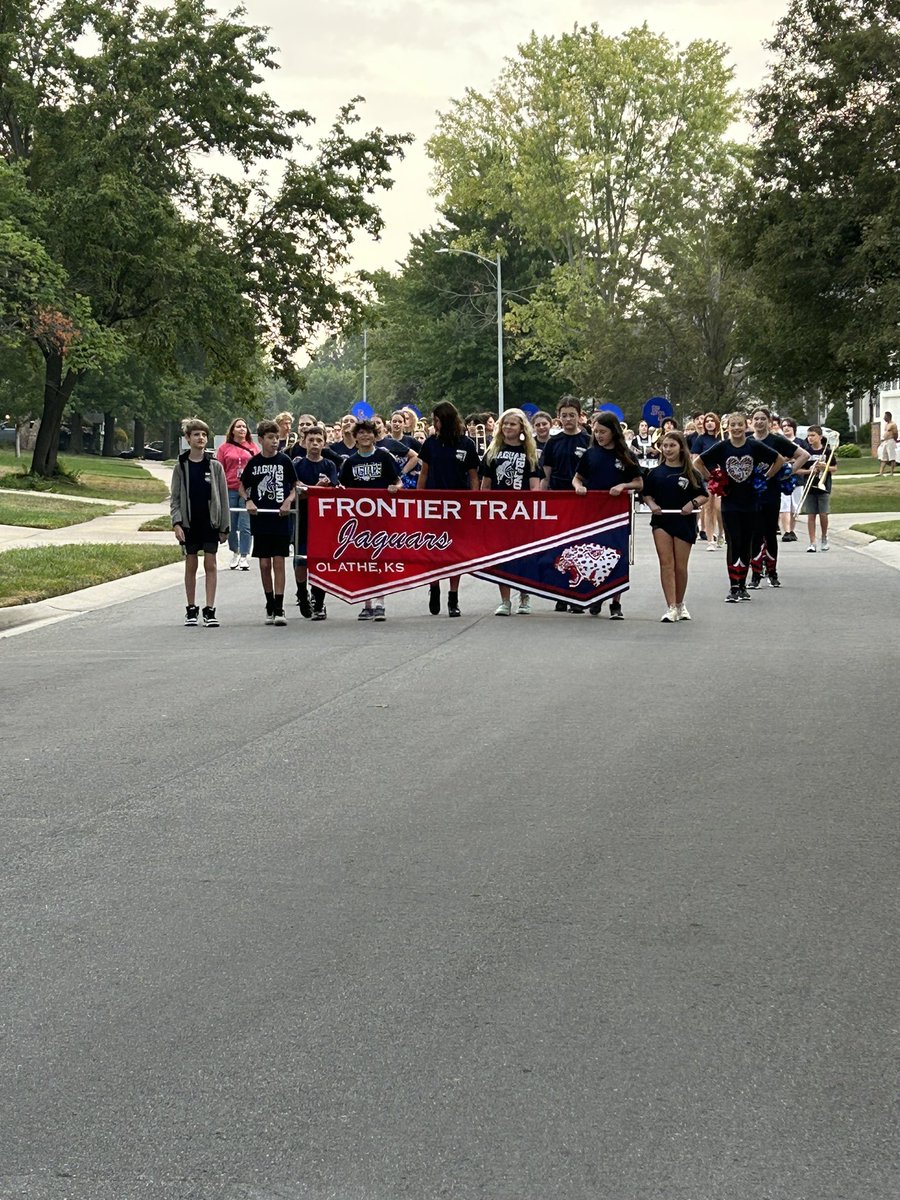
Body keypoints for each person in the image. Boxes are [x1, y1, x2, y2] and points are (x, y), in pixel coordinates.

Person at [695, 412, 786, 602]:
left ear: (746, 426)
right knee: (733, 542)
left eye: (739, 425)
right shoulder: (722, 447)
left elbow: (778, 459)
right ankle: (733, 585)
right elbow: (698, 462)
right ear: (728, 427)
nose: (736, 428)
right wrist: (712, 478)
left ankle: (743, 585)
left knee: (747, 543)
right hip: (730, 503)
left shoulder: (754, 445)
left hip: (751, 503)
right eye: (732, 425)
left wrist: (767, 476)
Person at [572, 411, 643, 619]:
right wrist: (578, 487)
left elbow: (639, 483)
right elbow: (577, 478)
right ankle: (597, 596)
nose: (599, 436)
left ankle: (616, 602)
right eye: (596, 432)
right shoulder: (590, 454)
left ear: (613, 432)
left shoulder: (626, 455)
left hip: (618, 515)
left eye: (603, 431)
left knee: (616, 558)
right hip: (593, 515)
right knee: (594, 556)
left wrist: (623, 485)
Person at [418, 400, 480, 617]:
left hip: (458, 507)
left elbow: (474, 477)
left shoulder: (467, 444)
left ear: (447, 420)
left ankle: (453, 597)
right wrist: (419, 500)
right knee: (434, 550)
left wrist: (473, 504)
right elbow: (423, 474)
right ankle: (434, 587)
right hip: (433, 506)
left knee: (455, 552)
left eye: (437, 420)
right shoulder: (430, 443)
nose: (434, 424)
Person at [478, 408, 543, 615]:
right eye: (505, 424)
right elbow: (485, 485)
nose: (508, 427)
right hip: (499, 513)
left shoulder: (529, 454)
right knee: (501, 557)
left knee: (524, 555)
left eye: (513, 424)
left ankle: (525, 596)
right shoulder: (493, 451)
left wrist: (532, 510)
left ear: (522, 427)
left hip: (522, 514)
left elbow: (535, 486)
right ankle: (505, 601)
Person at [641, 431, 708, 621]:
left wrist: (692, 504)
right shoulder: (655, 472)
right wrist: (653, 505)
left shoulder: (691, 472)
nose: (668, 449)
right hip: (662, 521)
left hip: (683, 521)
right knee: (666, 564)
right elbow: (646, 494)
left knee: (680, 566)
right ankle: (670, 606)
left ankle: (680, 603)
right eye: (665, 446)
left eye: (672, 445)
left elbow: (704, 495)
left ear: (681, 448)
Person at [339, 419, 402, 621]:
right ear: (355, 437)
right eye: (361, 433)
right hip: (358, 520)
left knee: (379, 559)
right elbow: (343, 488)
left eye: (369, 433)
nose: (365, 436)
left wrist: (395, 488)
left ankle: (380, 602)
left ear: (375, 435)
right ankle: (366, 603)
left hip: (381, 517)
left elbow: (398, 481)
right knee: (362, 560)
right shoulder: (350, 462)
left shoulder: (384, 457)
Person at [170, 419, 230, 627]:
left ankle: (210, 608)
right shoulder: (181, 466)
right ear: (188, 438)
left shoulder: (215, 466)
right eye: (196, 435)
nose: (200, 438)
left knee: (210, 563)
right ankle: (191, 608)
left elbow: (223, 497)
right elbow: (175, 498)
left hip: (210, 522)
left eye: (204, 435)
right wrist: (177, 523)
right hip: (189, 522)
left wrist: (224, 526)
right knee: (191, 563)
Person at [240, 419, 297, 626]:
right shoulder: (254, 463)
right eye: (271, 438)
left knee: (279, 561)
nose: (275, 442)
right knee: (264, 564)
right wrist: (249, 500)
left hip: (280, 519)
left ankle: (280, 606)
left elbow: (295, 485)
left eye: (277, 438)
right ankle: (270, 602)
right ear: (261, 439)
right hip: (261, 519)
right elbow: (242, 486)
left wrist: (288, 502)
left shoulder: (285, 461)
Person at [748, 408, 809, 588]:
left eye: (762, 419)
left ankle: (772, 572)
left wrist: (788, 472)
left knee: (769, 533)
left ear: (768, 421)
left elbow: (803, 455)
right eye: (756, 419)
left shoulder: (776, 440)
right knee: (755, 534)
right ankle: (756, 573)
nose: (759, 422)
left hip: (771, 492)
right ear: (751, 422)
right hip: (751, 494)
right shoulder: (748, 441)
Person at [541, 396, 592, 612]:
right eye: (564, 415)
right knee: (561, 546)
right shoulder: (554, 442)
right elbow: (545, 474)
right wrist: (542, 498)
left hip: (582, 498)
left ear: (580, 416)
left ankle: (579, 593)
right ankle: (561, 592)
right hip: (559, 497)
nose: (568, 419)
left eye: (572, 415)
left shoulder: (589, 440)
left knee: (580, 545)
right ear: (558, 417)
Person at [291, 426, 337, 620]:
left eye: (319, 440)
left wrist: (313, 490)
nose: (315, 444)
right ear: (304, 442)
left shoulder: (329, 465)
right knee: (301, 558)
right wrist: (315, 489)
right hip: (302, 518)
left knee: (321, 559)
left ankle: (319, 600)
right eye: (311, 440)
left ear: (324, 443)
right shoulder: (297, 465)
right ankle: (302, 593)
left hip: (323, 521)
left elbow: (333, 491)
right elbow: (295, 491)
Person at [216, 417, 257, 569]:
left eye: (244, 427)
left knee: (245, 524)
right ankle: (235, 551)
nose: (242, 429)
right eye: (238, 426)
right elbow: (219, 468)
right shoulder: (224, 448)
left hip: (247, 490)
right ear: (232, 430)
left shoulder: (252, 447)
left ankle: (245, 555)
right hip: (230, 488)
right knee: (231, 524)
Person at [797, 425, 837, 551]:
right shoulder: (805, 452)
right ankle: (812, 542)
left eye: (813, 435)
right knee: (811, 515)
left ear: (820, 437)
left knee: (823, 514)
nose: (810, 438)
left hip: (823, 486)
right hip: (809, 487)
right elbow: (797, 469)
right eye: (808, 436)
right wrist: (809, 471)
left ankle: (824, 537)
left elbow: (835, 468)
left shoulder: (827, 452)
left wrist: (824, 467)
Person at [692, 413, 724, 547]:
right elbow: (695, 460)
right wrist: (703, 475)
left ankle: (721, 533)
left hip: (722, 477)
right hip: (707, 477)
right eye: (707, 421)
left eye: (712, 420)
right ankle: (710, 540)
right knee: (708, 508)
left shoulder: (723, 438)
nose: (709, 423)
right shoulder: (701, 439)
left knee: (719, 508)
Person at [779, 418, 806, 541]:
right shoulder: (779, 442)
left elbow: (805, 458)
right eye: (784, 426)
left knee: (795, 506)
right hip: (783, 478)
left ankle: (792, 530)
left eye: (789, 426)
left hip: (798, 479)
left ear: (793, 428)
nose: (786, 428)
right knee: (784, 505)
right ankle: (787, 531)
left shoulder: (801, 442)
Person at [878, 412, 897, 476]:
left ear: (888, 417)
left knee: (892, 457)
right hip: (885, 442)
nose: (884, 418)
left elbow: (895, 433)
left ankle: (892, 473)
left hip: (891, 441)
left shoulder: (893, 424)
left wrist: (894, 440)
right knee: (883, 457)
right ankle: (881, 473)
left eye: (885, 416)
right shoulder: (886, 424)